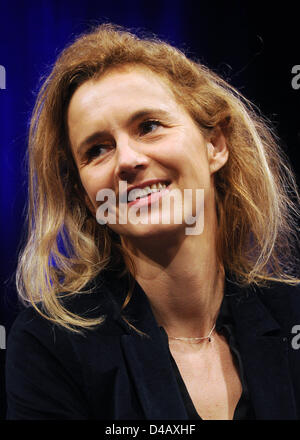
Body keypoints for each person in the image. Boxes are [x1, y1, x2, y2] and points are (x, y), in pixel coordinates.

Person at [5, 23, 300, 420]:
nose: (127, 160)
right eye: (97, 149)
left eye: (148, 126)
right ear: (87, 198)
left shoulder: (292, 315)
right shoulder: (50, 346)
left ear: (215, 144)